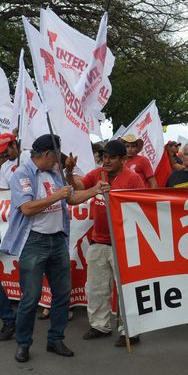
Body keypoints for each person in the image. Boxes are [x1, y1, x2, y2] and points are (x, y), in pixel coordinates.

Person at [1, 134, 108, 362]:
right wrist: (54, 196)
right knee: (30, 298)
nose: (58, 160)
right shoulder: (22, 174)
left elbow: (69, 198)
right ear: (48, 154)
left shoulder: (55, 173)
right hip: (33, 242)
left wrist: (94, 191)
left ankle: (55, 339)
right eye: (56, 155)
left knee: (62, 294)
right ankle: (23, 344)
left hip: (57, 240)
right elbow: (27, 208)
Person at [65, 139, 146, 347]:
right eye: (104, 157)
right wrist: (68, 173)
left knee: (125, 289)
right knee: (96, 288)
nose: (106, 161)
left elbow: (142, 208)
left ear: (123, 159)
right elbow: (77, 188)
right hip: (98, 240)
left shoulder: (133, 178)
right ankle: (99, 325)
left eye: (112, 157)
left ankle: (130, 330)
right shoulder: (97, 174)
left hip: (123, 242)